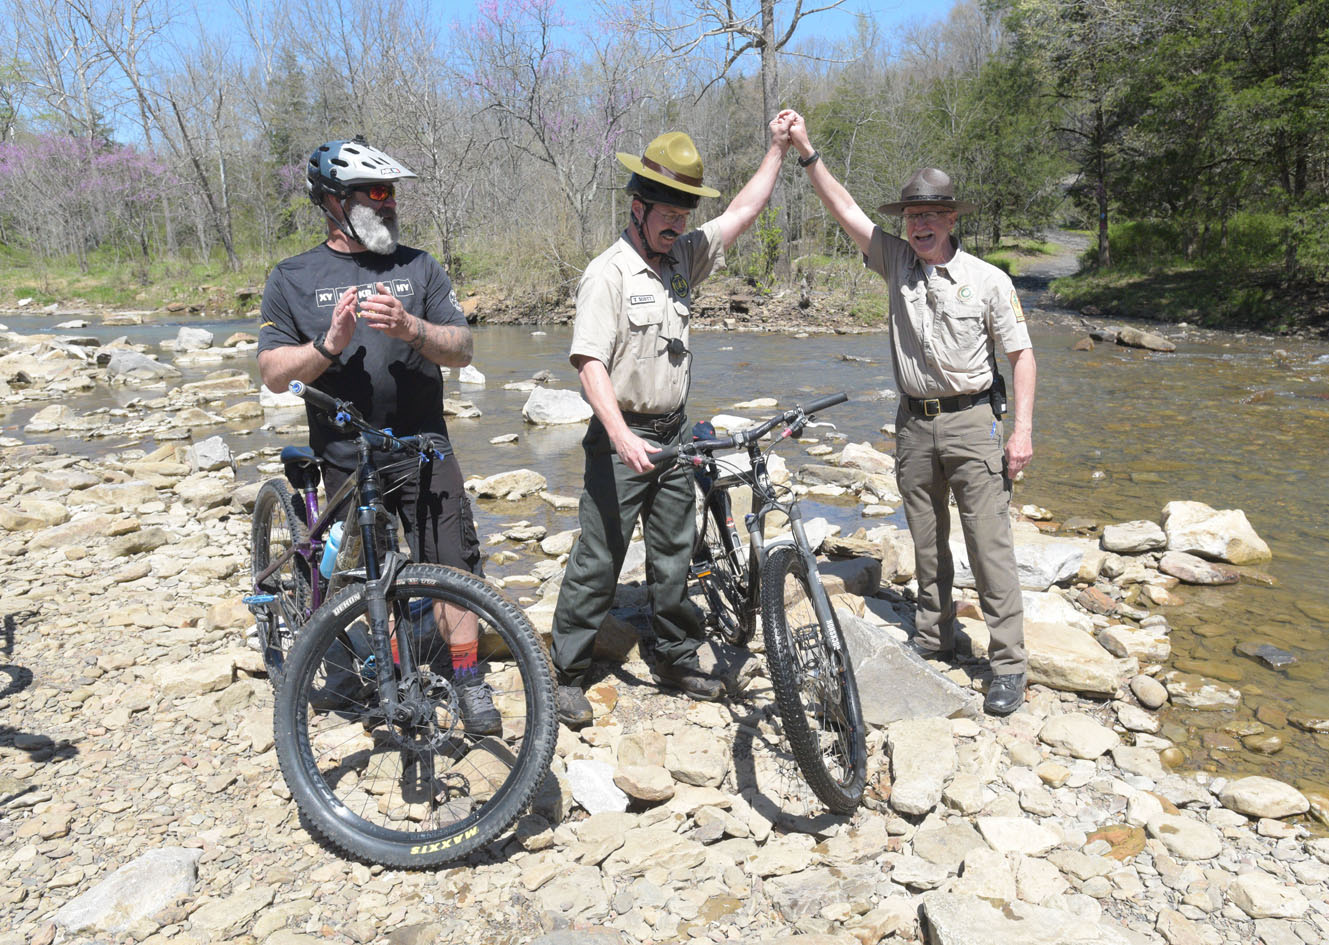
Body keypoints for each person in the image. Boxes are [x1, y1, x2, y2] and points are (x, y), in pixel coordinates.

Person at [785, 113, 1037, 716]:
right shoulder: (896, 263)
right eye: (912, 217)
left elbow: (1022, 355)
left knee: (989, 547)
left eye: (931, 216)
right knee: (927, 542)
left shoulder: (988, 280)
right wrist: (806, 150)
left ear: (952, 220)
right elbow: (844, 209)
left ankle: (1008, 665)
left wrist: (1021, 430)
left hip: (974, 422)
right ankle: (935, 635)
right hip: (914, 424)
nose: (920, 226)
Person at [550, 118, 794, 726]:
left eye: (684, 216)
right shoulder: (607, 274)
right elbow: (588, 363)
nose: (677, 225)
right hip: (620, 437)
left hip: (675, 436)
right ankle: (567, 672)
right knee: (599, 557)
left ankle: (675, 655)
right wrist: (620, 433)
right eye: (667, 214)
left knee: (675, 553)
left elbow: (741, 212)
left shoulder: (683, 259)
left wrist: (775, 151)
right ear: (637, 207)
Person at [256, 136, 501, 735]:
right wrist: (326, 347)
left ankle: (468, 682)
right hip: (345, 455)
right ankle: (387, 677)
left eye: (391, 194)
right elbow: (270, 373)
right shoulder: (292, 278)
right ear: (334, 202)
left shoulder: (418, 267)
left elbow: (464, 349)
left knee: (455, 567)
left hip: (423, 446)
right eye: (374, 194)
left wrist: (415, 328)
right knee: (369, 577)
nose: (388, 204)